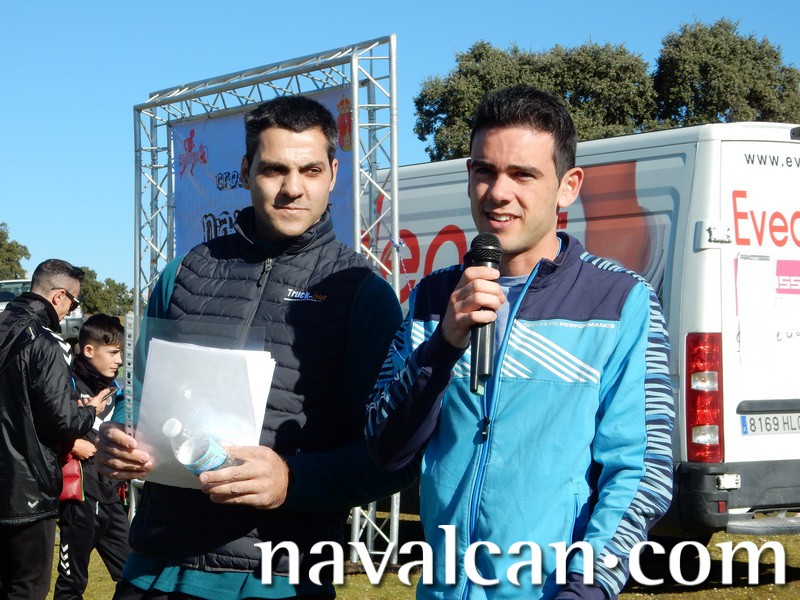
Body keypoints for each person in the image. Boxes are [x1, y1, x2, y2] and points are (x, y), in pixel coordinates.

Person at [96, 95, 419, 600]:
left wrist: (292, 480)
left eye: (310, 170)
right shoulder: (183, 273)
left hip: (278, 580)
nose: (293, 188)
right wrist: (120, 437)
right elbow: (135, 403)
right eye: (274, 169)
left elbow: (392, 457)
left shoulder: (362, 294)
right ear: (246, 171)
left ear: (333, 174)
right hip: (153, 569)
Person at [365, 86, 675, 599]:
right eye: (485, 171)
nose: (498, 192)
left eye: (523, 175)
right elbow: (383, 447)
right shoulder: (433, 297)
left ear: (568, 187)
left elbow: (642, 472)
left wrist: (587, 588)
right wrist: (443, 346)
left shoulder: (620, 300)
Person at [0, 259, 110, 600]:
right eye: (73, 304)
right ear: (59, 296)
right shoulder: (46, 342)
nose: (70, 311)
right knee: (27, 586)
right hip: (26, 490)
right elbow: (62, 422)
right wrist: (90, 411)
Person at [55, 314, 131, 599]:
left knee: (135, 577)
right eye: (113, 352)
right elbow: (34, 424)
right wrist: (70, 443)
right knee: (72, 585)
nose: (119, 361)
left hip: (113, 497)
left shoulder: (118, 390)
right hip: (79, 499)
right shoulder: (63, 383)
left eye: (121, 353)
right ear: (89, 350)